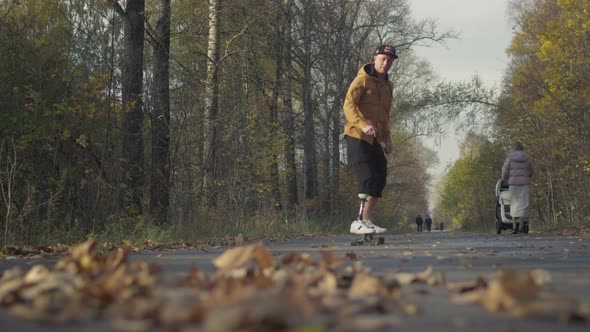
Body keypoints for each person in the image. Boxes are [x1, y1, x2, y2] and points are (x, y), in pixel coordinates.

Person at [344, 44, 398, 235]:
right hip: (357, 135)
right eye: (383, 58)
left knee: (379, 177)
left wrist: (387, 139)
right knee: (366, 176)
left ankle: (365, 220)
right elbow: (348, 105)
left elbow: (384, 115)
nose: (386, 63)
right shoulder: (362, 79)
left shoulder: (388, 86)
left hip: (375, 139)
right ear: (374, 58)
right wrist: (362, 124)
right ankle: (357, 221)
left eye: (390, 60)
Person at [501, 141, 534, 234]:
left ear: (513, 148)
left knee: (514, 204)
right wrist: (527, 177)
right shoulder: (527, 157)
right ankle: (522, 226)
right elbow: (531, 170)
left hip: (513, 184)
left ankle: (514, 226)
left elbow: (505, 170)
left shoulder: (510, 158)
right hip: (524, 183)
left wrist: (504, 178)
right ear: (522, 148)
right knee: (523, 204)